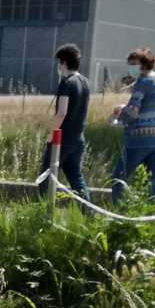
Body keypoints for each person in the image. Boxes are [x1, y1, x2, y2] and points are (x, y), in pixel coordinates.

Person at [111, 46, 155, 204]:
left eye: (134, 64)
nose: (131, 67)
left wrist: (120, 115)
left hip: (138, 139)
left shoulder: (143, 81)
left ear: (144, 63)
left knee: (118, 179)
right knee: (151, 181)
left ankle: (119, 213)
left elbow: (132, 111)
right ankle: (152, 214)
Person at [38, 42, 91, 209]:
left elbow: (62, 112)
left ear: (64, 63)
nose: (59, 67)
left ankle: (42, 212)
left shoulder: (66, 84)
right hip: (78, 138)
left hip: (62, 140)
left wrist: (51, 134)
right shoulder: (85, 82)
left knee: (45, 178)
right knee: (76, 178)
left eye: (59, 63)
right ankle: (89, 213)